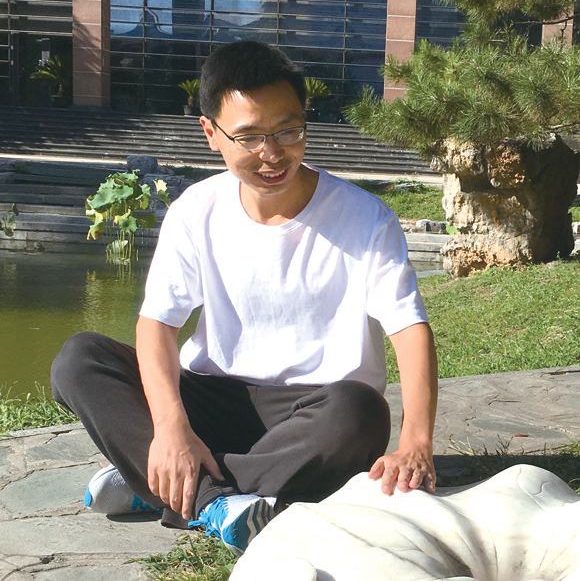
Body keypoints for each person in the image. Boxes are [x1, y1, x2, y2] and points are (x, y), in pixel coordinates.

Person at [51, 40, 438, 556]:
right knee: (81, 358)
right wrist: (170, 428)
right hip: (211, 396)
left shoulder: (367, 219)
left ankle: (164, 485)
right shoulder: (196, 210)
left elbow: (409, 330)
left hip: (312, 410)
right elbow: (157, 325)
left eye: (288, 130)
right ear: (211, 133)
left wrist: (415, 443)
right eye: (250, 136)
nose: (272, 154)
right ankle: (199, 489)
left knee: (360, 412)